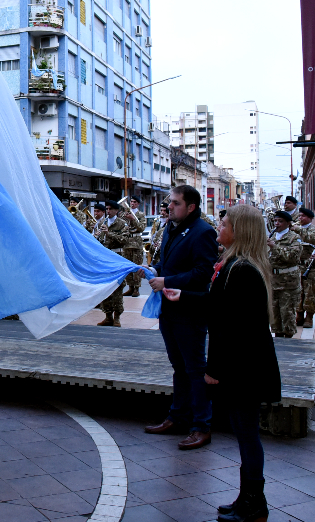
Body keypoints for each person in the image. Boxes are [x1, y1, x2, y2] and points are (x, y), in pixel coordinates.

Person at [162, 205, 281, 522]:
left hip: (244, 368)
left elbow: (234, 328)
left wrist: (213, 369)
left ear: (239, 230)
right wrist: (182, 295)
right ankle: (247, 499)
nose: (218, 229)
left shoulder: (241, 270)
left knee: (247, 435)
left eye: (224, 224)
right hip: (244, 365)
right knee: (244, 433)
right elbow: (219, 306)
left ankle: (255, 504)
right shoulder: (234, 265)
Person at [145, 185, 219, 450]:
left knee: (195, 369)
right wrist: (154, 270)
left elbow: (203, 273)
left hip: (189, 310)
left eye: (176, 203)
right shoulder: (170, 229)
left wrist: (167, 279)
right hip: (169, 309)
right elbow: (170, 265)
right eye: (170, 203)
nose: (169, 207)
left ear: (191, 207)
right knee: (179, 367)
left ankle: (202, 426)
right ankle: (178, 417)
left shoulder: (203, 232)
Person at [267, 210, 302, 338]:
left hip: (288, 282)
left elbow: (292, 257)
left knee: (287, 312)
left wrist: (274, 247)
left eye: (280, 221)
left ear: (288, 223)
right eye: (275, 221)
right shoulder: (272, 236)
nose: (277, 224)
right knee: (274, 313)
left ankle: (288, 340)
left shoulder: (294, 237)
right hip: (273, 280)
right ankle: (278, 336)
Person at [97, 200, 130, 326]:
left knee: (117, 287)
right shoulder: (101, 222)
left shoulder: (122, 224)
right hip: (104, 258)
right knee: (105, 287)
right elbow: (97, 239)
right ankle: (107, 316)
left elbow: (124, 240)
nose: (108, 211)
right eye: (107, 209)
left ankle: (117, 317)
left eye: (111, 209)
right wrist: (98, 236)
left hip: (117, 257)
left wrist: (108, 233)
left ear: (116, 210)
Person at [292, 208, 315, 328]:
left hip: (311, 266)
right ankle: (299, 315)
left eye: (303, 216)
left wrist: (298, 230)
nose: (300, 218)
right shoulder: (295, 229)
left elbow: (312, 239)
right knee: (298, 292)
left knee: (310, 293)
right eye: (299, 216)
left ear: (310, 218)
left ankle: (309, 317)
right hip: (298, 265)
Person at [122, 196, 146, 297]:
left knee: (137, 266)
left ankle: (136, 288)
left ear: (138, 204)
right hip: (126, 242)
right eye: (131, 202)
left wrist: (133, 219)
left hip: (136, 243)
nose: (132, 204)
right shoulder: (124, 214)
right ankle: (130, 287)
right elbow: (122, 225)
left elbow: (141, 228)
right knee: (127, 267)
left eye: (135, 202)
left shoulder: (141, 214)